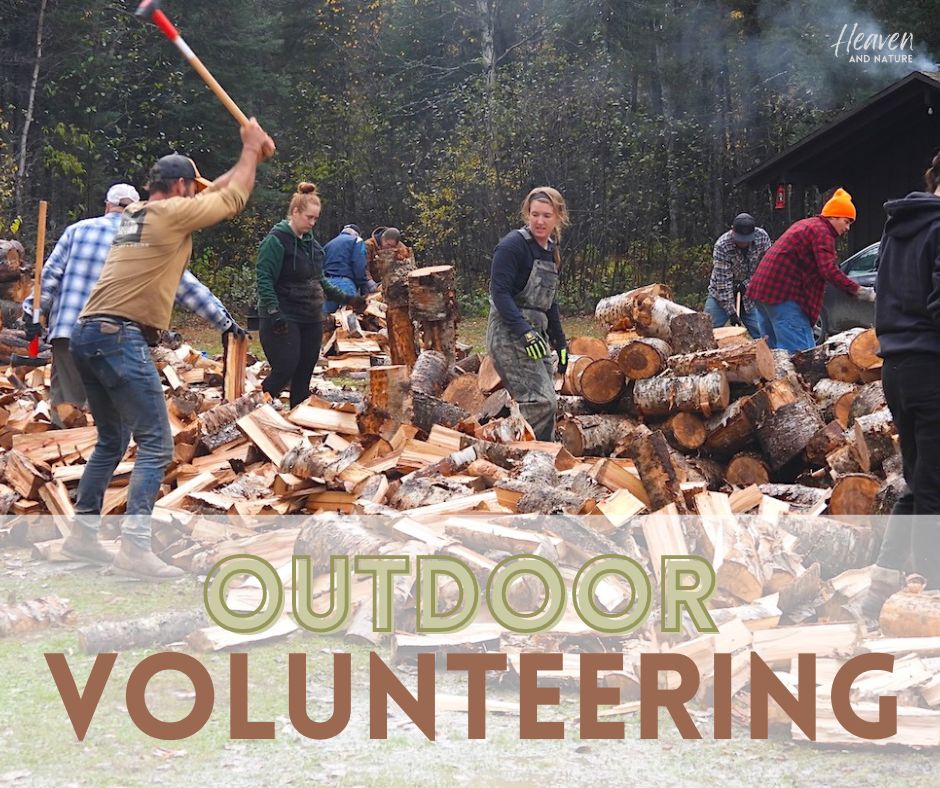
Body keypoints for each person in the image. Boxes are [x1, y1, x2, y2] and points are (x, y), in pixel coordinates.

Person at [62, 118, 274, 580]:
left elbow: (211, 192)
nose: (193, 195)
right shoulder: (167, 215)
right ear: (179, 185)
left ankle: (82, 534)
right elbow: (232, 198)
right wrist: (251, 150)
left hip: (88, 334)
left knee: (112, 440)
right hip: (119, 335)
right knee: (157, 444)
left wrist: (246, 157)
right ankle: (134, 548)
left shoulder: (138, 212)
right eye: (189, 187)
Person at [22, 184, 247, 427]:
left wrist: (31, 313)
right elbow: (185, 286)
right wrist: (224, 322)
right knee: (112, 418)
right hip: (115, 338)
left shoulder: (77, 231)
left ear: (108, 206)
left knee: (66, 409)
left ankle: (60, 458)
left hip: (69, 333)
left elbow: (48, 279)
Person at [860, 151, 940, 617]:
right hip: (931, 368)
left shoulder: (901, 226)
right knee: (931, 488)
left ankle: (879, 590)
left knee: (920, 482)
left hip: (898, 370)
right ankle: (929, 595)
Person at [256, 184, 365, 409]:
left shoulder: (312, 246)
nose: (313, 223)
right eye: (309, 217)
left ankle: (299, 416)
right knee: (285, 368)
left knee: (305, 369)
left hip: (310, 316)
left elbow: (320, 280)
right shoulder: (276, 241)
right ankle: (255, 411)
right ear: (295, 212)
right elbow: (264, 278)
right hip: (283, 314)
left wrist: (348, 299)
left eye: (316, 219)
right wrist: (273, 311)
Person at [747, 188, 875, 353]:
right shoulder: (822, 232)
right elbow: (829, 271)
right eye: (846, 221)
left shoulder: (807, 225)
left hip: (763, 292)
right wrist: (859, 291)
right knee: (802, 356)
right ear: (834, 216)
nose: (848, 228)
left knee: (773, 356)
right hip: (783, 296)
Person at [486, 187, 568, 442]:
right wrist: (524, 333)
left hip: (537, 333)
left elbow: (548, 301)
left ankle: (543, 456)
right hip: (510, 334)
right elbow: (499, 294)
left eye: (546, 215)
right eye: (535, 215)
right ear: (527, 215)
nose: (540, 221)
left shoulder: (551, 250)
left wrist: (561, 342)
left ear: (557, 217)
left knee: (548, 400)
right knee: (539, 402)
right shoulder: (512, 246)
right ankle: (518, 457)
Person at [703, 212, 770, 339]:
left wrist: (747, 285)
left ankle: (770, 356)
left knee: (763, 334)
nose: (743, 243)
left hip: (751, 295)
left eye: (746, 239)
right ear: (733, 231)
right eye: (740, 239)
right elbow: (722, 282)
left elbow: (765, 270)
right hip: (721, 295)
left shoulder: (762, 238)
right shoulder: (722, 245)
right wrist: (732, 313)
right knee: (706, 332)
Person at [364, 226, 417, 367]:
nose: (389, 249)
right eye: (387, 245)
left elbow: (407, 265)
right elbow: (363, 266)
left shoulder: (400, 247)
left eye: (392, 246)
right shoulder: (369, 245)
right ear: (382, 240)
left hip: (392, 287)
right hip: (373, 284)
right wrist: (370, 283)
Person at [322, 223, 376, 313]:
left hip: (327, 286)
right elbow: (359, 264)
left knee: (327, 322)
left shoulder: (329, 244)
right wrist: (363, 285)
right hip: (345, 285)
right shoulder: (357, 240)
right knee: (350, 320)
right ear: (356, 233)